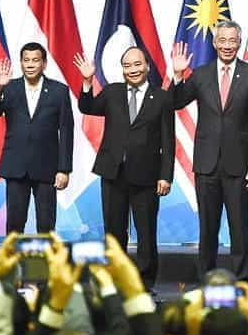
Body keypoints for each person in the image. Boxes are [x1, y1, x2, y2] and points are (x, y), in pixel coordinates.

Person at [171, 19, 248, 279]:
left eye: (232, 40)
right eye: (221, 40)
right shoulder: (200, 74)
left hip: (240, 164)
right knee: (207, 227)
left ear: (239, 42)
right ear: (214, 43)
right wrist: (178, 76)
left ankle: (243, 279)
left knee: (239, 227)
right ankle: (206, 278)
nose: (227, 45)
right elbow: (176, 102)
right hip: (206, 163)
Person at [74, 47, 174, 289]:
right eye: (127, 66)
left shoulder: (161, 97)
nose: (133, 70)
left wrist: (165, 176)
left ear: (147, 66)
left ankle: (144, 282)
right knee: (114, 232)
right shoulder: (112, 92)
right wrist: (87, 82)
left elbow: (168, 140)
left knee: (146, 233)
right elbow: (87, 107)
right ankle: (115, 279)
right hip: (113, 173)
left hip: (147, 176)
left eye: (137, 64)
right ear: (122, 69)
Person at [0, 42, 74, 233]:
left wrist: (64, 169)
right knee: (15, 225)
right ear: (21, 63)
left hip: (47, 167)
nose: (30, 64)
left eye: (35, 60)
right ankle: (14, 263)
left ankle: (44, 263)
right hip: (16, 166)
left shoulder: (59, 91)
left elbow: (66, 130)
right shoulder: (9, 87)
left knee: (46, 225)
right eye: (26, 60)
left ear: (44, 64)